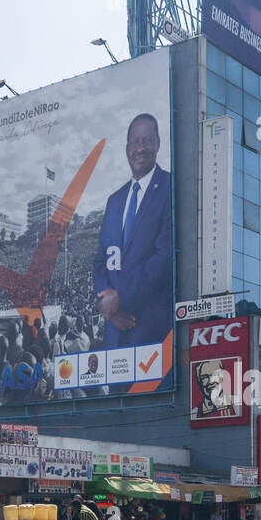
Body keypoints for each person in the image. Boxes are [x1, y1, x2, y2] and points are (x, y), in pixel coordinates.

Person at [92, 112, 174, 350]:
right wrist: (110, 307)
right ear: (127, 148)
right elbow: (101, 261)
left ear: (158, 144)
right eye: (135, 142)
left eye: (147, 140)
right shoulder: (114, 201)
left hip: (152, 333)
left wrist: (121, 298)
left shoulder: (170, 187)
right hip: (115, 335)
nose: (140, 148)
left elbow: (164, 257)